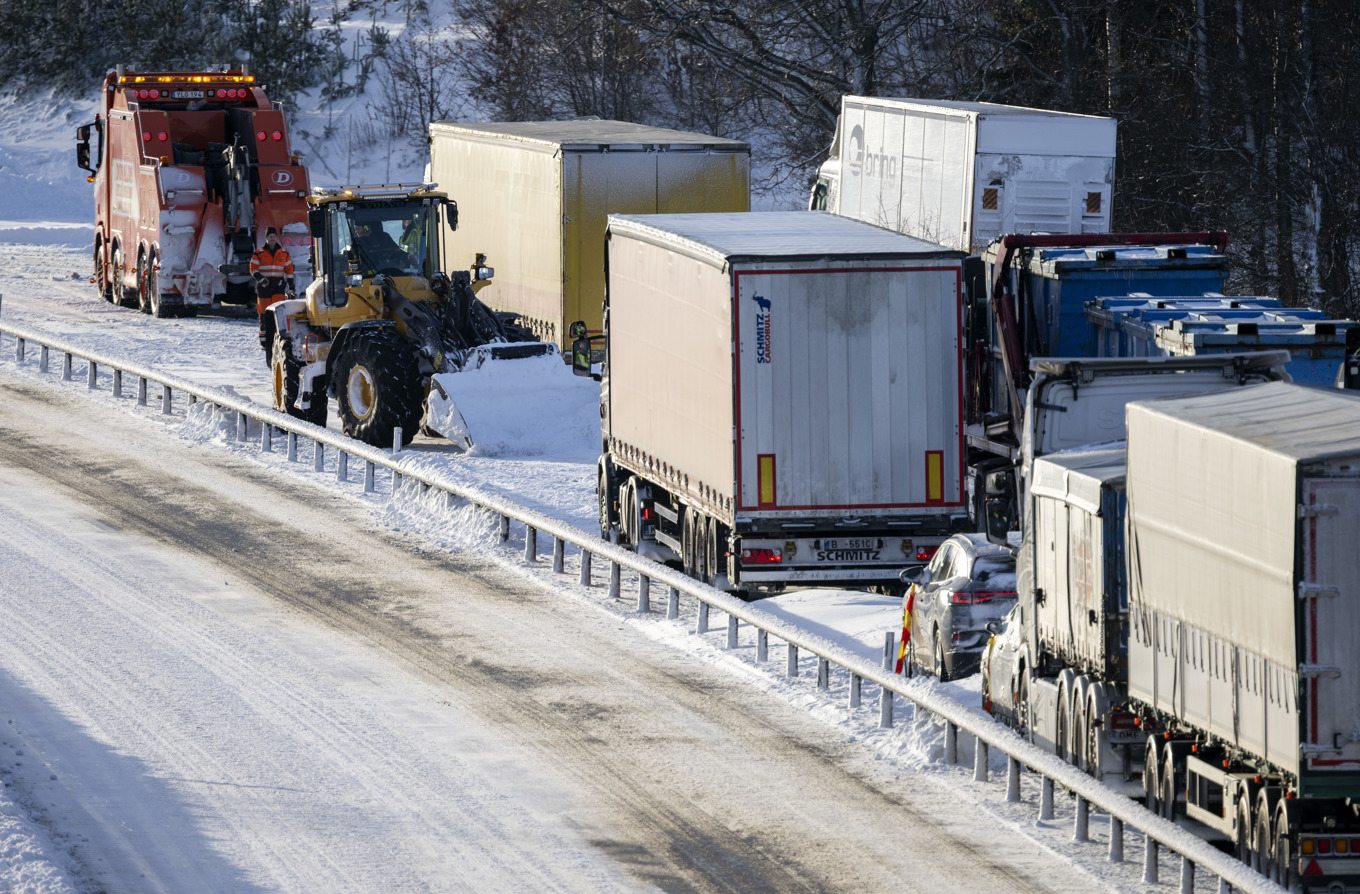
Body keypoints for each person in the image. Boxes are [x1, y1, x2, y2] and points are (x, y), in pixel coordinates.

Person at [250, 226, 294, 360]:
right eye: (270, 236)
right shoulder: (259, 253)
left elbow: (289, 271)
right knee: (263, 315)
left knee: (278, 314)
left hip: (278, 288)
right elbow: (253, 268)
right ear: (266, 238)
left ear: (276, 237)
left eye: (274, 236)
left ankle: (277, 338)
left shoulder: (284, 253)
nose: (272, 238)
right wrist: (261, 279)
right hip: (264, 287)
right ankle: (264, 341)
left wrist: (291, 287)